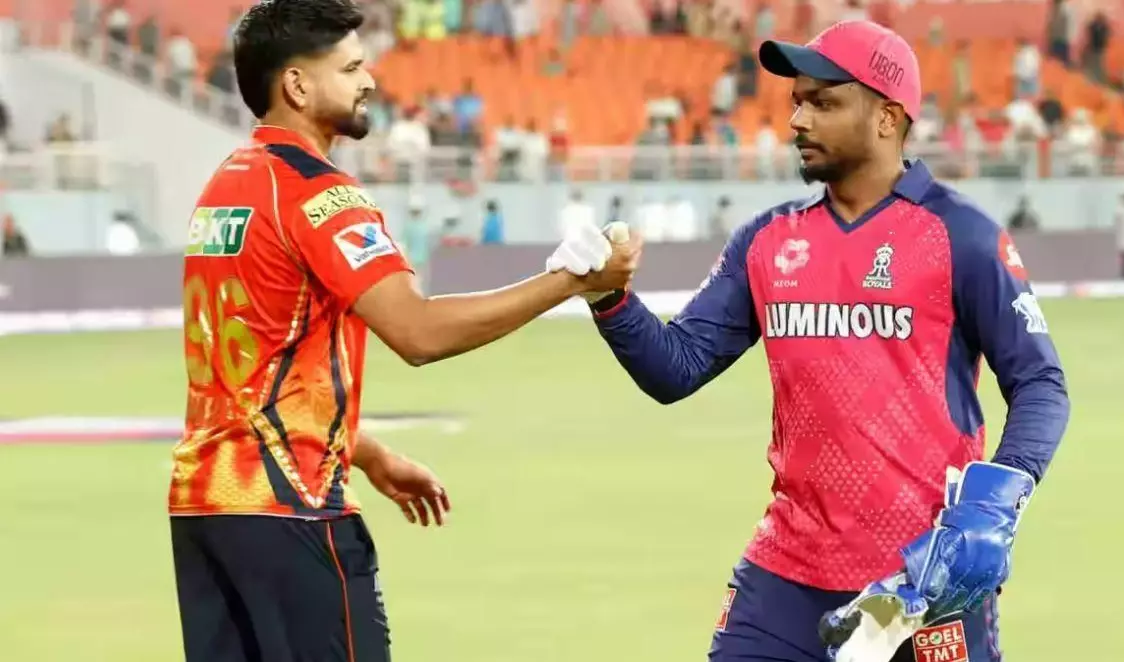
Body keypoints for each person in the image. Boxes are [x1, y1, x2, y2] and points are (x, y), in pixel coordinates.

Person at [582, 20, 1069, 662]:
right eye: (797, 101)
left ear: (888, 118)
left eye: (825, 102)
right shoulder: (766, 240)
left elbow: (1039, 383)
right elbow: (677, 368)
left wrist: (995, 501)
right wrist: (608, 298)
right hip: (783, 583)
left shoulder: (962, 236)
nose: (798, 120)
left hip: (924, 586)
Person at [169, 1, 639, 661]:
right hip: (294, 508)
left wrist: (371, 454)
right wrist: (574, 280)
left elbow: (245, 380)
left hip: (205, 512)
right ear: (298, 86)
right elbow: (417, 332)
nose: (370, 80)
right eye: (352, 67)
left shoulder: (224, 188)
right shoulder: (317, 193)